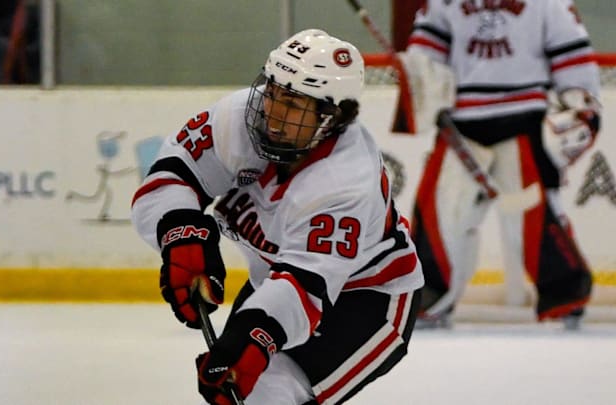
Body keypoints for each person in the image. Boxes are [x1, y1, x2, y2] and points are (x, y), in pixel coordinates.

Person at [130, 29, 424, 404]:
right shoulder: (239, 119)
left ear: (332, 117)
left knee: (268, 394)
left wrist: (255, 332)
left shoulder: (346, 180)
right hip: (281, 278)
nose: (272, 113)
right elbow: (169, 176)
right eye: (272, 92)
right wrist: (180, 234)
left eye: (292, 104)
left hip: (366, 300)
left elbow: (305, 286)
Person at [403, 0, 601, 329]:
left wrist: (582, 103)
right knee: (440, 211)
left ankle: (565, 294)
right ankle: (429, 297)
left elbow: (572, 55)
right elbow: (427, 50)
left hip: (524, 121)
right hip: (461, 123)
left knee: (533, 213)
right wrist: (420, 73)